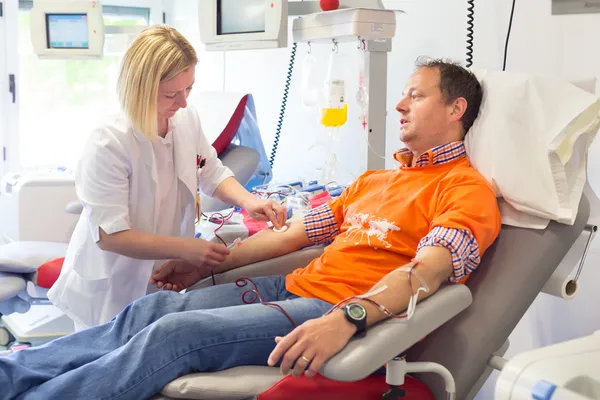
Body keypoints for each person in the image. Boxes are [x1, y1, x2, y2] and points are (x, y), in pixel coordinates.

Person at [2, 58, 502, 400]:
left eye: (415, 96)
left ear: (455, 110)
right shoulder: (375, 180)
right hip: (290, 288)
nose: (399, 105)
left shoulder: (464, 190)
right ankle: (10, 375)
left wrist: (347, 319)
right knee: (152, 310)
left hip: (329, 311)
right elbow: (291, 236)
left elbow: (427, 273)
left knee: (174, 334)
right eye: (402, 95)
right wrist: (201, 263)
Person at [46, 25, 287, 331]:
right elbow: (111, 235)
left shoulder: (184, 117)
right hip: (110, 282)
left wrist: (250, 201)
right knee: (106, 358)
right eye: (172, 94)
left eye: (189, 89)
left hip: (160, 273)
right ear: (140, 89)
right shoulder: (108, 141)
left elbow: (209, 169)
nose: (183, 102)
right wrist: (185, 248)